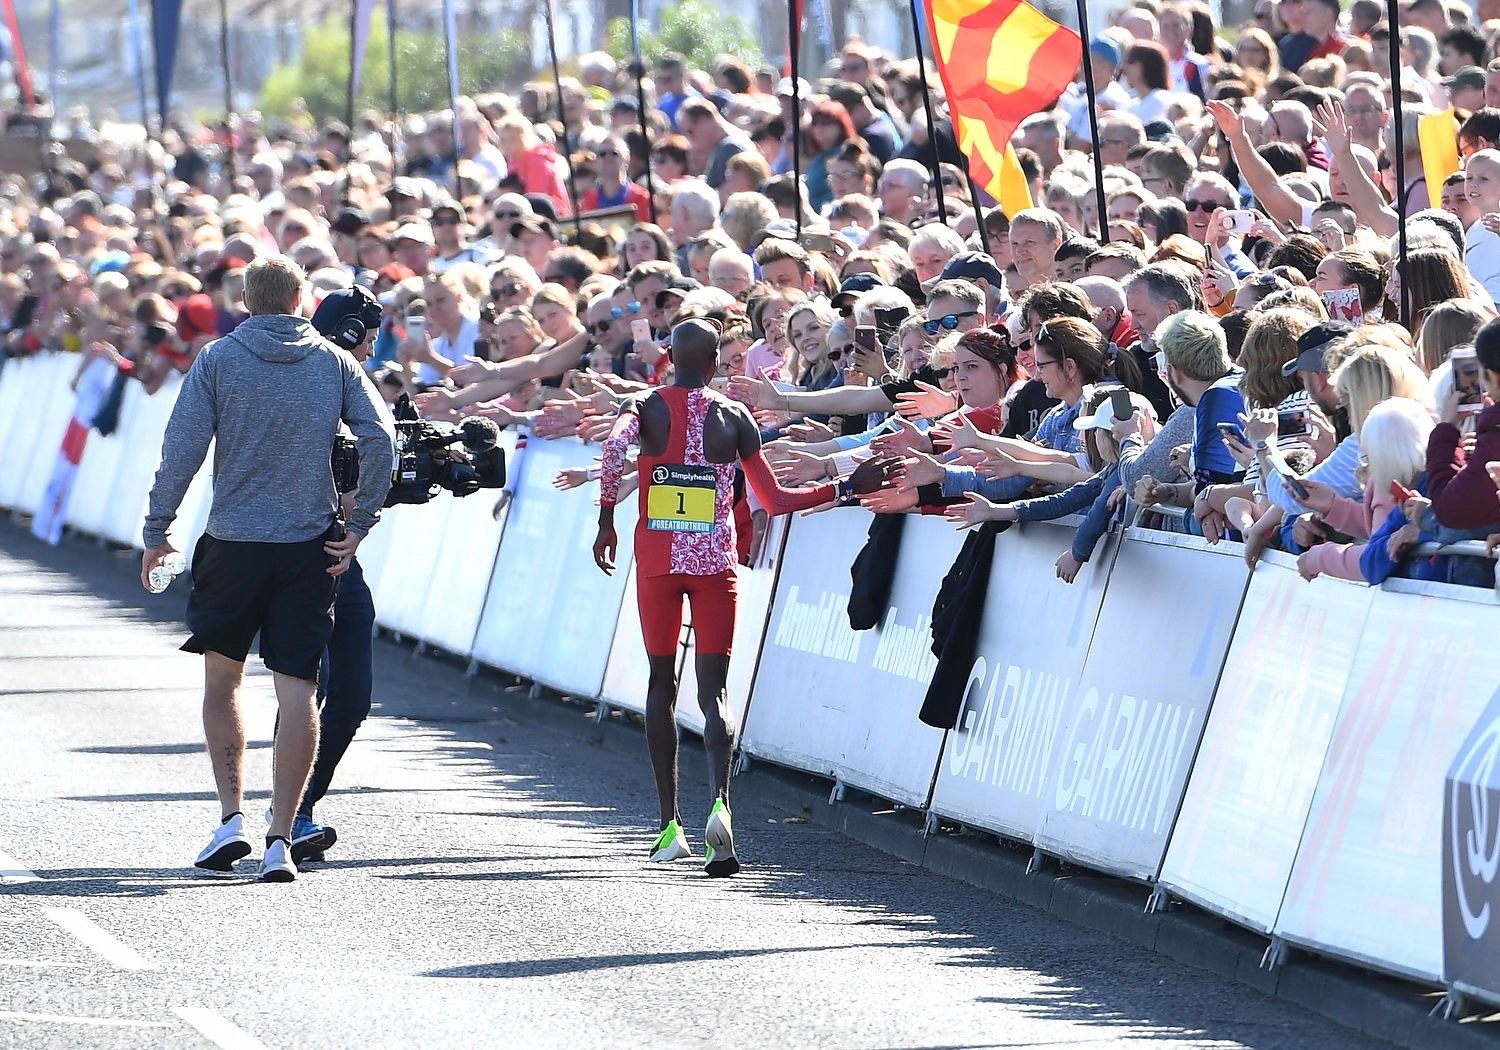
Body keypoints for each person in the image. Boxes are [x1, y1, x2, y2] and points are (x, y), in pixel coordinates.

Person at [592, 318, 894, 875]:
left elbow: (613, 453)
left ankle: (669, 826)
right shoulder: (735, 416)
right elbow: (776, 501)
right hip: (714, 563)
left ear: (668, 358)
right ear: (716, 363)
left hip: (659, 562)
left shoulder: (644, 405)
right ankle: (720, 807)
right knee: (716, 694)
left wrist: (607, 518)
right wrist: (846, 486)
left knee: (661, 684)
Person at [141, 256, 394, 882]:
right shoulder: (334, 362)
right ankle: (281, 837)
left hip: (233, 542)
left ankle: (231, 819)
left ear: (246, 302)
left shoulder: (218, 359)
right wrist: (361, 523)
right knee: (299, 688)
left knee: (222, 681)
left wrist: (158, 530)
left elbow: (181, 450)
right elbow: (381, 437)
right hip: (308, 546)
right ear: (301, 299)